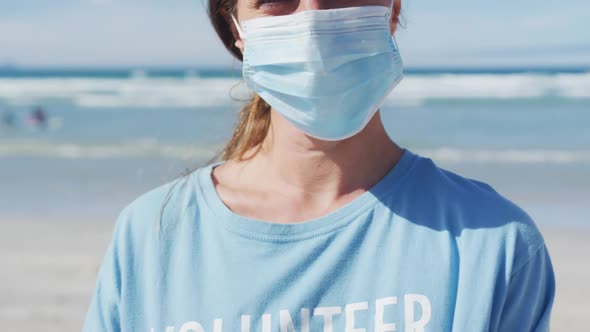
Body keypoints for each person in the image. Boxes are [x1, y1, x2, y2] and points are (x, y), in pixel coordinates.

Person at [83, 1, 555, 331]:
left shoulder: (494, 244)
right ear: (235, 28)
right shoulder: (151, 237)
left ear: (390, 10)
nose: (312, 21)